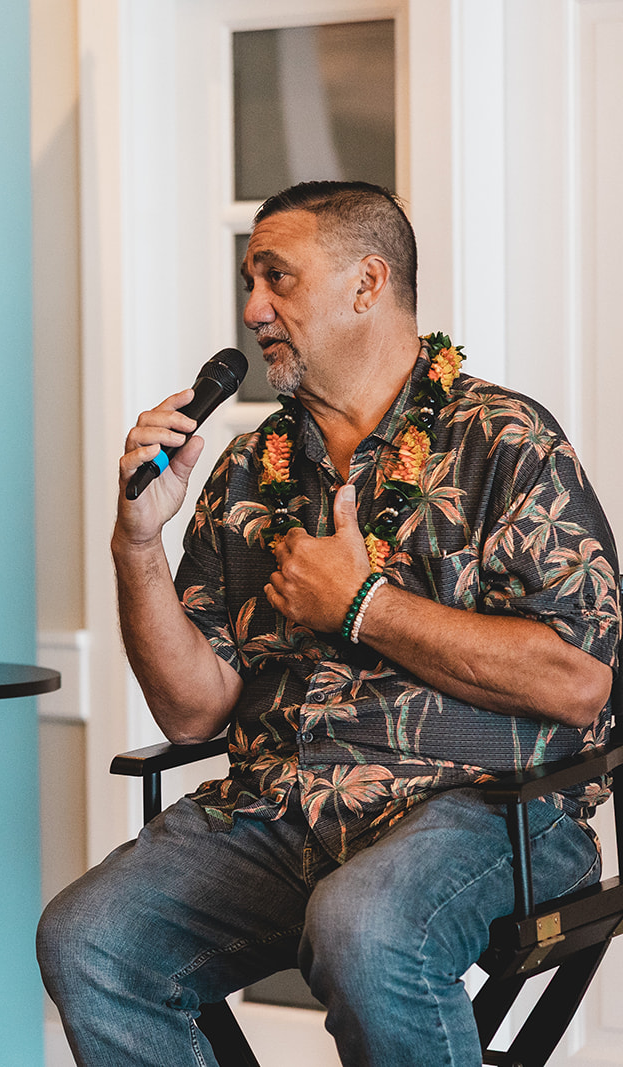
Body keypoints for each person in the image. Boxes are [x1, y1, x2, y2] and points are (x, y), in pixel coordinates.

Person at [37, 181, 617, 1066]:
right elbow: (192, 711)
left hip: (490, 810)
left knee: (364, 925)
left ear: (366, 283)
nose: (251, 308)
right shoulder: (246, 469)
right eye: (249, 280)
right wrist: (138, 542)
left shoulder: (503, 441)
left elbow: (578, 681)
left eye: (277, 277)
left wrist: (363, 605)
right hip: (279, 808)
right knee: (90, 939)